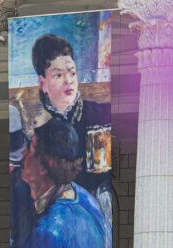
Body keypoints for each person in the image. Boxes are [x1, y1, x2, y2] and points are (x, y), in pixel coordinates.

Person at [10, 118, 113, 248]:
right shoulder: (83, 197)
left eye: (29, 148)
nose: (22, 155)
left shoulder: (50, 231)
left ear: (45, 164)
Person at [30, 33, 113, 221]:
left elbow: (102, 176)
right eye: (58, 74)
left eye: (72, 72)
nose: (69, 80)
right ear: (42, 82)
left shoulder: (100, 116)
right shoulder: (39, 130)